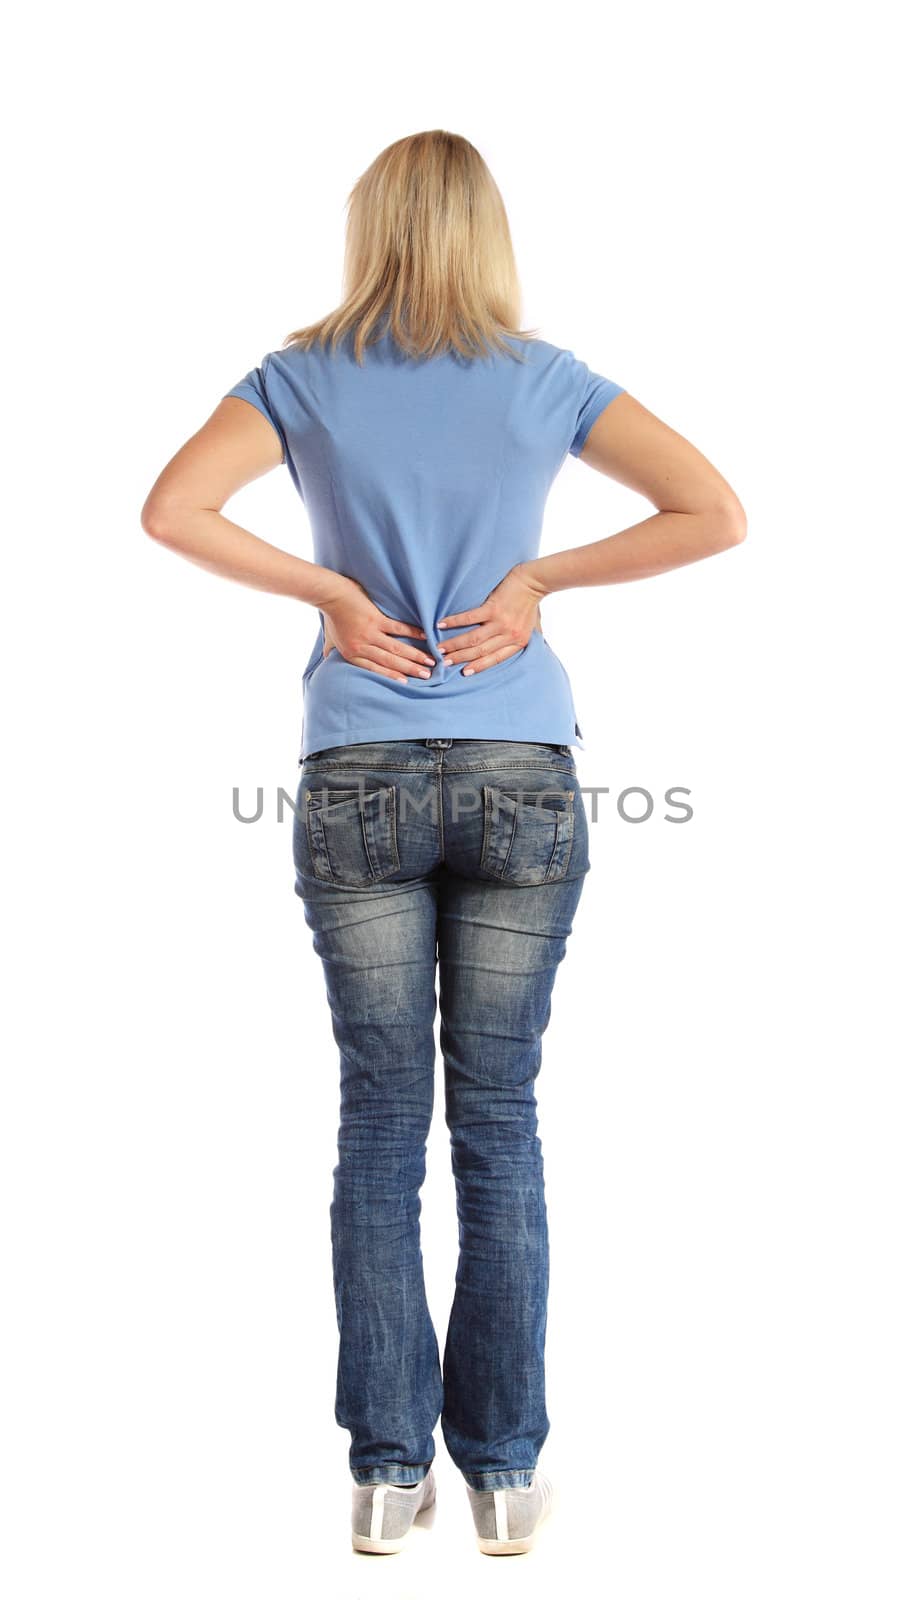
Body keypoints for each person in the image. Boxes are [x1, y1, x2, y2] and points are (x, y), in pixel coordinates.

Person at [140, 128, 746, 1557]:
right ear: (488, 234)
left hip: (355, 766)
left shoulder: (297, 378)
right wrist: (538, 579)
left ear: (369, 230)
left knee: (376, 1124)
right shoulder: (544, 380)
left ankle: (385, 1467)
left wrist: (331, 594)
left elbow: (172, 510)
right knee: (500, 1122)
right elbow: (712, 511)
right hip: (520, 769)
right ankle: (509, 1468)